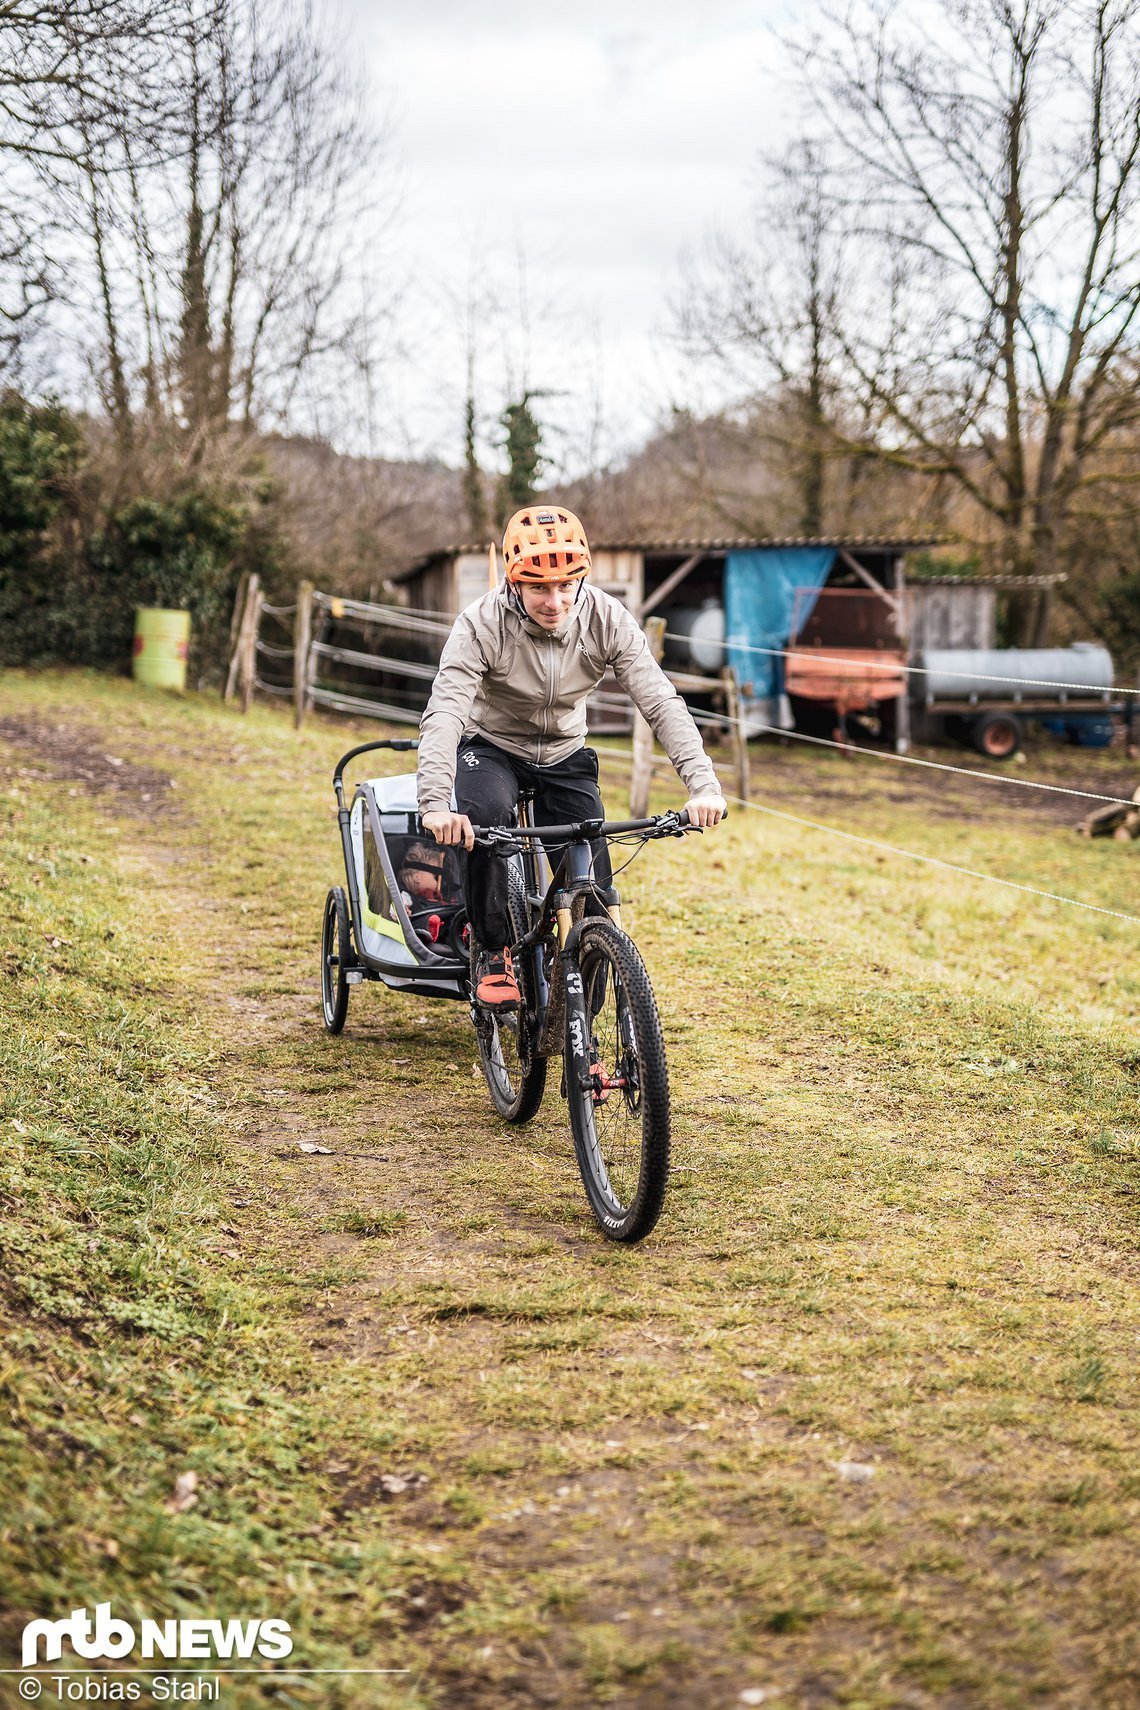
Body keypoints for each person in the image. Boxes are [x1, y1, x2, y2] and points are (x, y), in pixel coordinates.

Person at [417, 505, 726, 1005]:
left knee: (592, 880)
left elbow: (660, 702)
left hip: (565, 752)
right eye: (538, 587)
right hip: (492, 746)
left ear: (582, 579)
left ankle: (589, 984)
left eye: (565, 585)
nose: (554, 601)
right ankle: (494, 952)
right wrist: (436, 803)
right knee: (488, 821)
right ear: (514, 582)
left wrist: (703, 785)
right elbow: (446, 713)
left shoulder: (607, 619)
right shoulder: (479, 625)